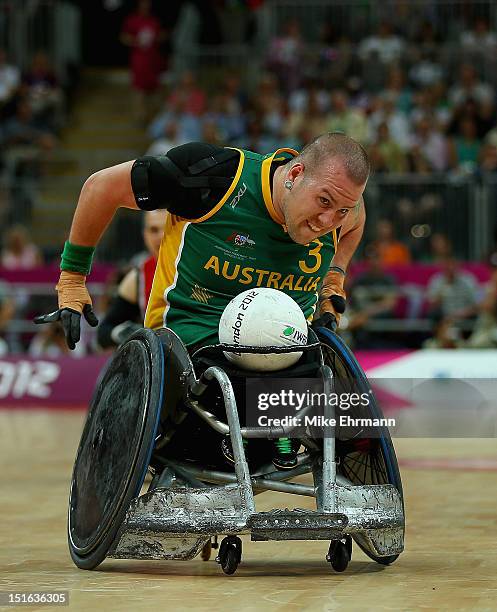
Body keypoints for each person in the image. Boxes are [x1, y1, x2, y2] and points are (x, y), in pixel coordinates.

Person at [35, 132, 369, 469]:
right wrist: (73, 278)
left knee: (334, 390)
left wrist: (334, 281)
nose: (328, 222)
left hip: (287, 353)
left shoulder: (342, 208)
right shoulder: (211, 177)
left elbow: (356, 219)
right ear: (295, 176)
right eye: (323, 202)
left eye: (341, 210)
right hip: (192, 344)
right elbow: (101, 187)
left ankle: (276, 441)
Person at [97, 209, 166, 349]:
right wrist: (119, 332)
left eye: (167, 229)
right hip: (161, 360)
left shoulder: (199, 266)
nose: (161, 236)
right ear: (144, 235)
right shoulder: (138, 277)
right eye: (154, 230)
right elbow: (103, 332)